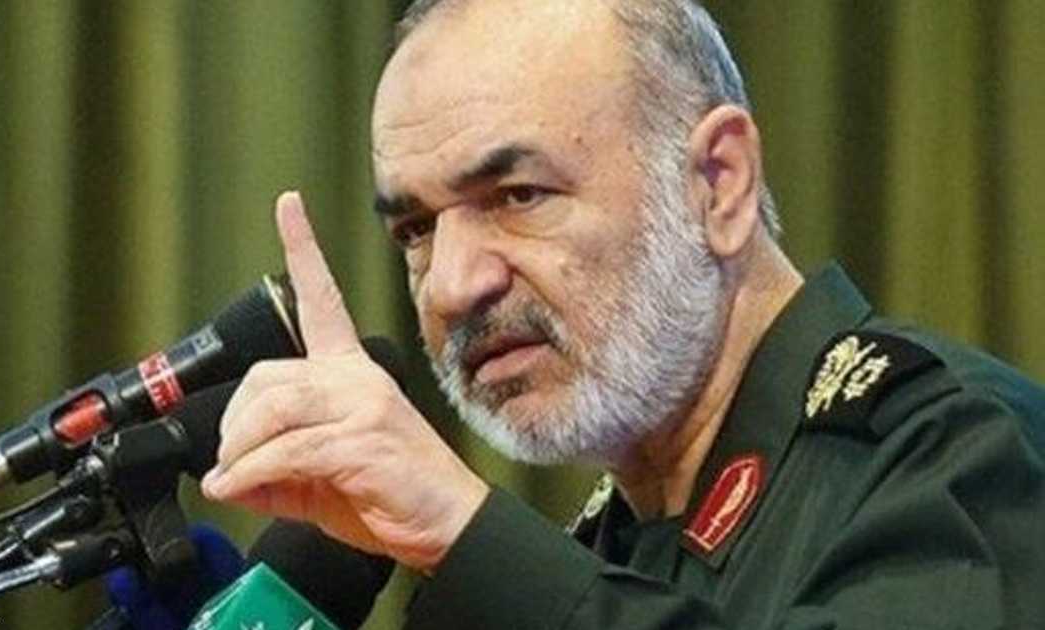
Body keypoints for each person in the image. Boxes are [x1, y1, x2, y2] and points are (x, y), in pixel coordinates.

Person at [200, 0, 1045, 627]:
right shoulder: (606, 545)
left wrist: (463, 531)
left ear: (718, 184)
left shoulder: (962, 449)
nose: (452, 285)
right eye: (416, 230)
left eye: (518, 195)